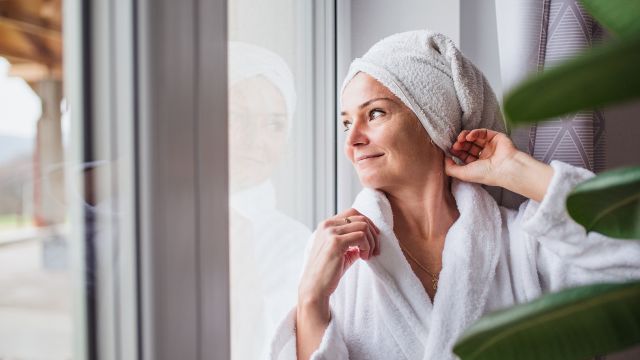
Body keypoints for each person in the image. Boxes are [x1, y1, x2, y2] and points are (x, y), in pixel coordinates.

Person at [268, 30, 640, 360]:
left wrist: (519, 172)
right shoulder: (338, 255)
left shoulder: (524, 244)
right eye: (347, 122)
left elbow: (631, 255)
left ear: (435, 119)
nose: (352, 141)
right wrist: (312, 301)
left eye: (376, 113)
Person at [228, 42, 311, 360]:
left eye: (274, 124)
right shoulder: (149, 218)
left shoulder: (296, 245)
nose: (255, 141)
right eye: (237, 118)